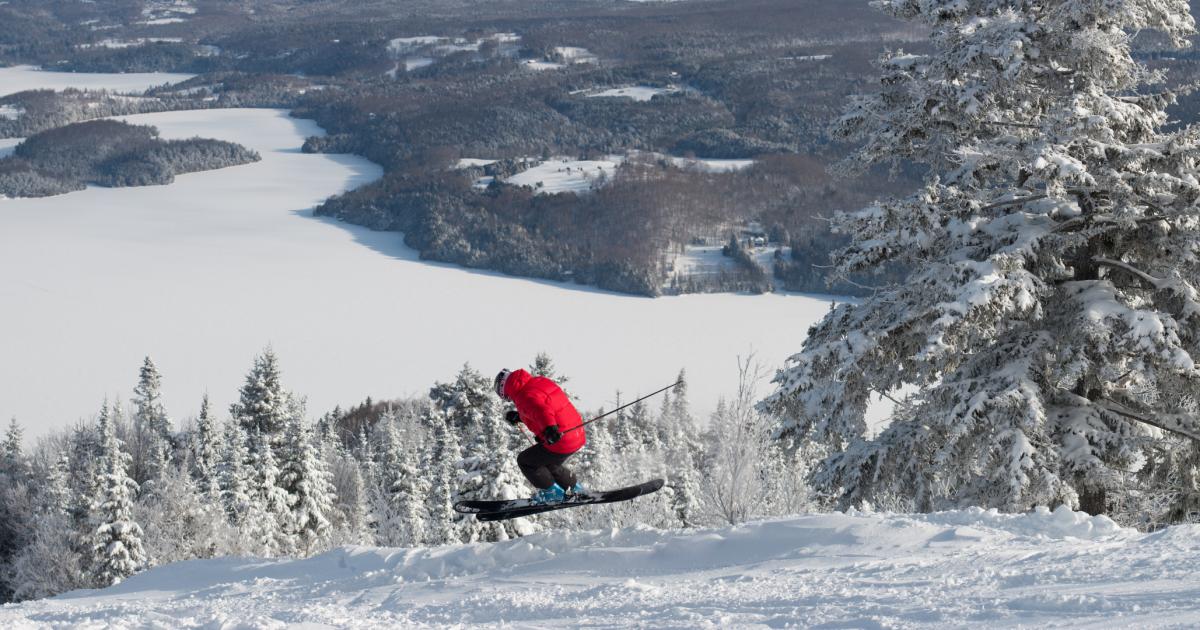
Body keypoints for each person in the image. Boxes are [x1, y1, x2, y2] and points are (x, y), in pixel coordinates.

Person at [495, 368, 588, 504]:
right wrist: (519, 416)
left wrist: (550, 428)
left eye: (505, 396)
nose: (508, 399)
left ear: (505, 389)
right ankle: (575, 489)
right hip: (577, 434)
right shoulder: (539, 382)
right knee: (548, 463)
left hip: (561, 438)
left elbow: (542, 410)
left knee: (525, 461)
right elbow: (540, 406)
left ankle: (552, 494)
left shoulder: (523, 396)